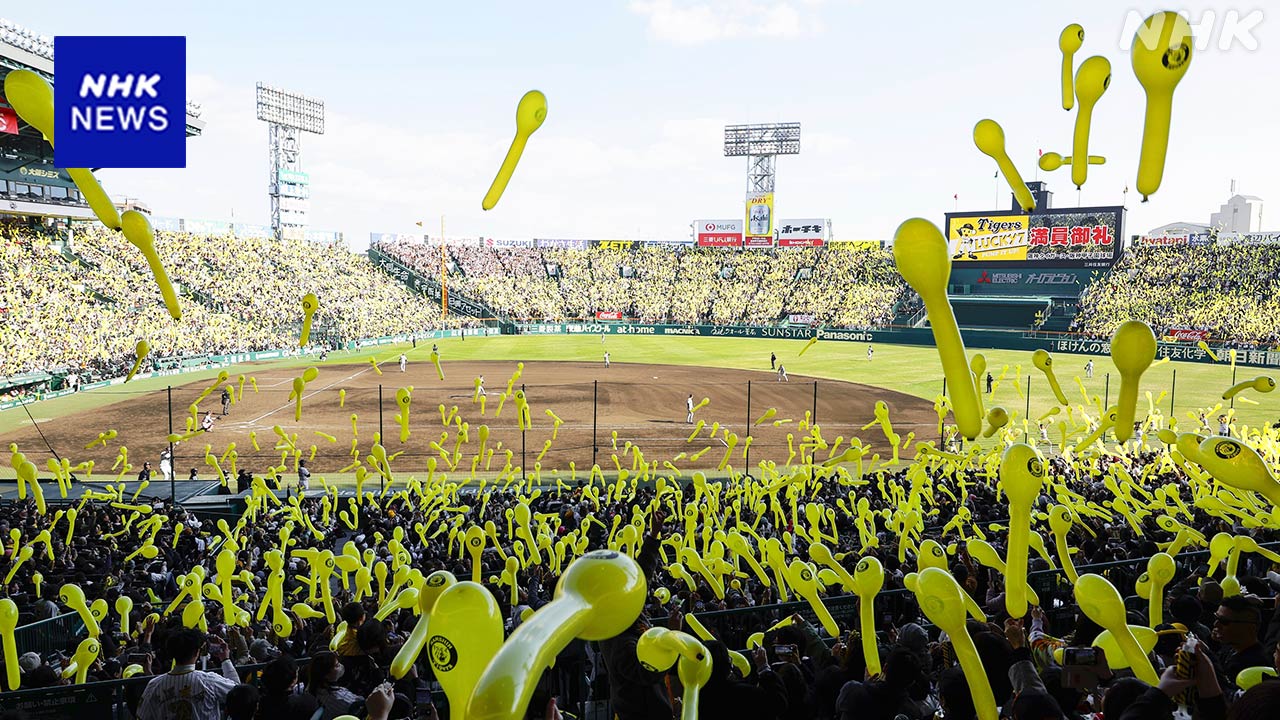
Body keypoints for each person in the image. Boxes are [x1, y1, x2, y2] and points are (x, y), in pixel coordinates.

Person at [136, 628, 239, 720]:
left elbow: (142, 715)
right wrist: (225, 660)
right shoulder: (209, 681)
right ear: (197, 652)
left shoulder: (154, 685)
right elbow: (239, 692)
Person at [1212, 595, 1269, 684]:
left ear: (1250, 628)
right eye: (1216, 617)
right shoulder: (1230, 647)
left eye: (1224, 621)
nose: (1216, 624)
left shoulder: (1255, 665)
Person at [307, 651, 365, 720]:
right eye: (337, 665)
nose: (341, 666)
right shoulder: (340, 698)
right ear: (326, 675)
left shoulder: (315, 687)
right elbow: (362, 705)